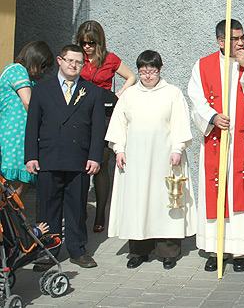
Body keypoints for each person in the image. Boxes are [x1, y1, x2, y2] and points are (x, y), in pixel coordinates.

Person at [188, 19, 244, 273]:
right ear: (221, 41)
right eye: (235, 39)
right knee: (217, 192)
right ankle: (215, 249)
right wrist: (212, 117)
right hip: (216, 139)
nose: (241, 42)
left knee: (242, 192)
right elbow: (196, 98)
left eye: (243, 37)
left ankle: (241, 250)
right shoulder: (203, 66)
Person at [106, 50, 195, 270]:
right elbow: (119, 124)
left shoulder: (172, 93)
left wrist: (177, 148)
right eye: (143, 72)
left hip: (166, 158)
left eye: (152, 71)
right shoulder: (129, 95)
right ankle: (139, 250)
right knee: (138, 203)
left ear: (160, 70)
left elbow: (179, 123)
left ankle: (168, 251)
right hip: (135, 159)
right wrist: (118, 149)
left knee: (165, 202)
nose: (147, 76)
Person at [25, 44, 105, 269]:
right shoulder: (41, 89)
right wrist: (31, 155)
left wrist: (95, 157)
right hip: (49, 157)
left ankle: (78, 250)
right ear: (59, 61)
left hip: (79, 158)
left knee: (77, 207)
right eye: (70, 60)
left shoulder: (93, 91)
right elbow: (32, 125)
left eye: (79, 62)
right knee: (48, 207)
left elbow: (98, 129)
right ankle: (47, 251)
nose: (74, 65)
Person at [76, 20, 137, 234]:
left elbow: (131, 77)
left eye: (91, 43)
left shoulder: (110, 59)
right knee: (80, 162)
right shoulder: (78, 58)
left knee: (101, 163)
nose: (87, 47)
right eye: (84, 43)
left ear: (99, 41)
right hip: (80, 114)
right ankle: (80, 208)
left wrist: (118, 95)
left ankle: (101, 212)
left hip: (103, 115)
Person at [0, 41, 54, 199]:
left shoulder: (17, 71)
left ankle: (12, 223)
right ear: (35, 58)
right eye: (43, 66)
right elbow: (28, 102)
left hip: (17, 136)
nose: (42, 71)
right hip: (14, 136)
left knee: (15, 189)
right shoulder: (17, 69)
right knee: (13, 190)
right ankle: (10, 223)